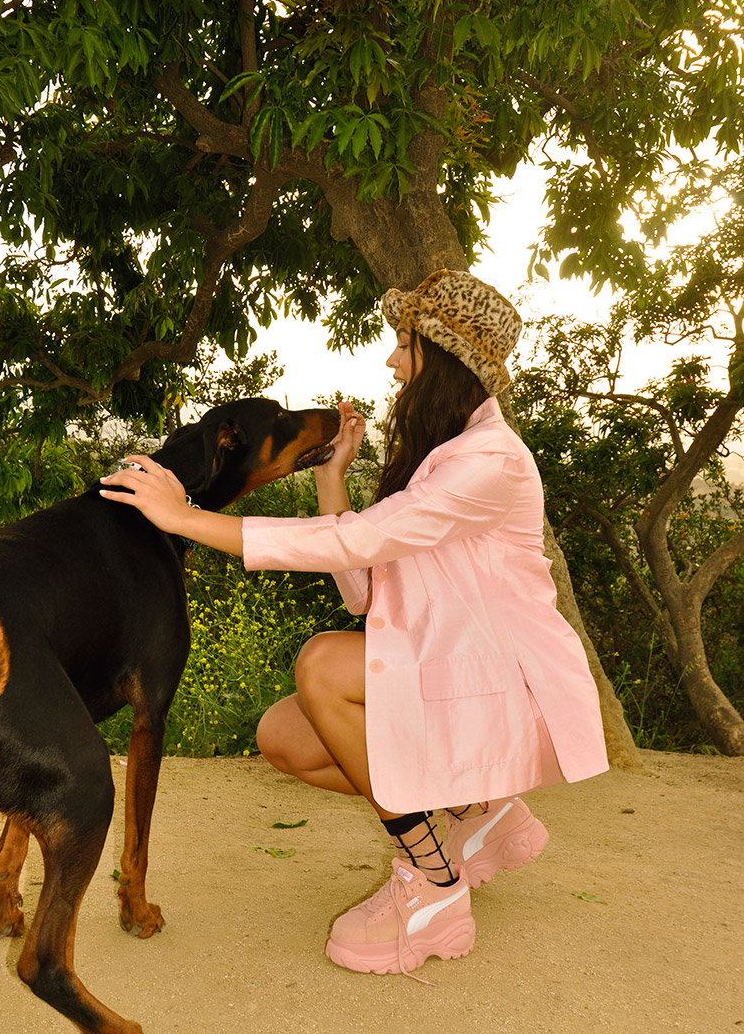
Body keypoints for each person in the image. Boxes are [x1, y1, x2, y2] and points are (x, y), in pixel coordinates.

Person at [99, 268, 609, 979]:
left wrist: (182, 516)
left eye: (404, 344)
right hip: (455, 677)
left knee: (321, 664)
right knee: (285, 735)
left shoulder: (489, 462)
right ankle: (477, 811)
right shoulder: (445, 456)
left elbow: (356, 543)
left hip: (506, 686)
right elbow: (368, 589)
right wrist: (331, 475)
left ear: (443, 358)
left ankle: (433, 879)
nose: (392, 361)